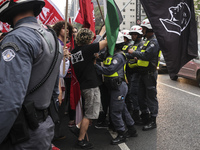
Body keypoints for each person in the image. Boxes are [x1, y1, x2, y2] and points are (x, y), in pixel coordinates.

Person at [0, 0, 63, 149]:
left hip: (21, 132)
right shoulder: (52, 37)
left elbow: (10, 101)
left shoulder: (17, 38)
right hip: (43, 127)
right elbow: (55, 92)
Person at [95, 32, 138, 145]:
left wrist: (95, 66)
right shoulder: (110, 54)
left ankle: (122, 133)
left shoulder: (118, 56)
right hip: (114, 87)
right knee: (122, 109)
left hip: (119, 87)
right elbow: (100, 56)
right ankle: (132, 129)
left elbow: (109, 70)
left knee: (115, 112)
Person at [70, 28, 107, 149]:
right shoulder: (87, 49)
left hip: (84, 84)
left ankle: (76, 128)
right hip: (90, 85)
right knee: (89, 114)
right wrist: (113, 31)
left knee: (91, 112)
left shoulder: (75, 51)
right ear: (88, 40)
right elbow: (107, 41)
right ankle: (81, 140)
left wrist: (102, 31)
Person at [128, 19, 160, 131]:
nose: (143, 31)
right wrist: (138, 56)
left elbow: (146, 55)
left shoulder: (154, 42)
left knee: (150, 97)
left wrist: (134, 53)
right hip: (142, 73)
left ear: (149, 29)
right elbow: (143, 55)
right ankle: (145, 117)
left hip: (149, 74)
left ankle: (153, 120)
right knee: (141, 97)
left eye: (144, 29)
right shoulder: (147, 41)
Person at [125, 25, 144, 124]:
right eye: (131, 34)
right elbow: (128, 54)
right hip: (130, 72)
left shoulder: (142, 44)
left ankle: (137, 114)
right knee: (131, 93)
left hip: (138, 72)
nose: (132, 36)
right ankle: (134, 112)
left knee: (134, 93)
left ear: (139, 34)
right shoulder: (132, 45)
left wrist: (133, 54)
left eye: (134, 34)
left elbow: (138, 55)